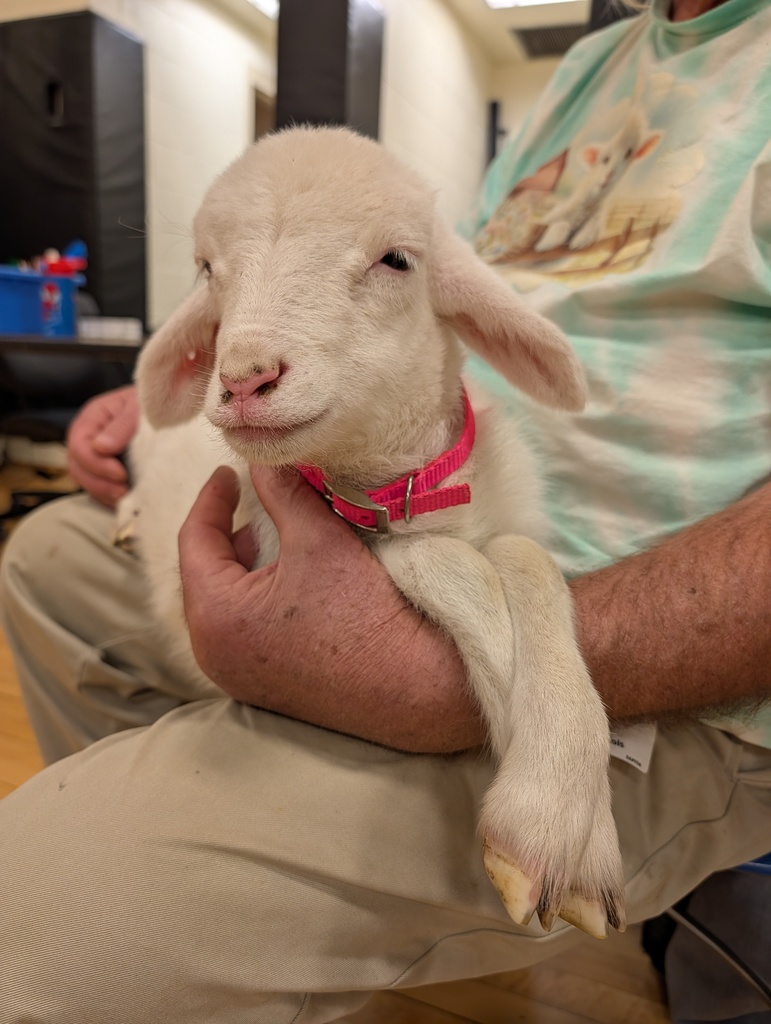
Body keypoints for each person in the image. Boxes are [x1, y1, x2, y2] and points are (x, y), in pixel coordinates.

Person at [0, 0, 769, 1020]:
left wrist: (460, 675)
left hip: (677, 635)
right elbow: (418, 292)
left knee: (35, 934)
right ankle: (265, 882)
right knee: (48, 556)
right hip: (412, 492)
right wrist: (169, 407)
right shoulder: (594, 66)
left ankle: (226, 877)